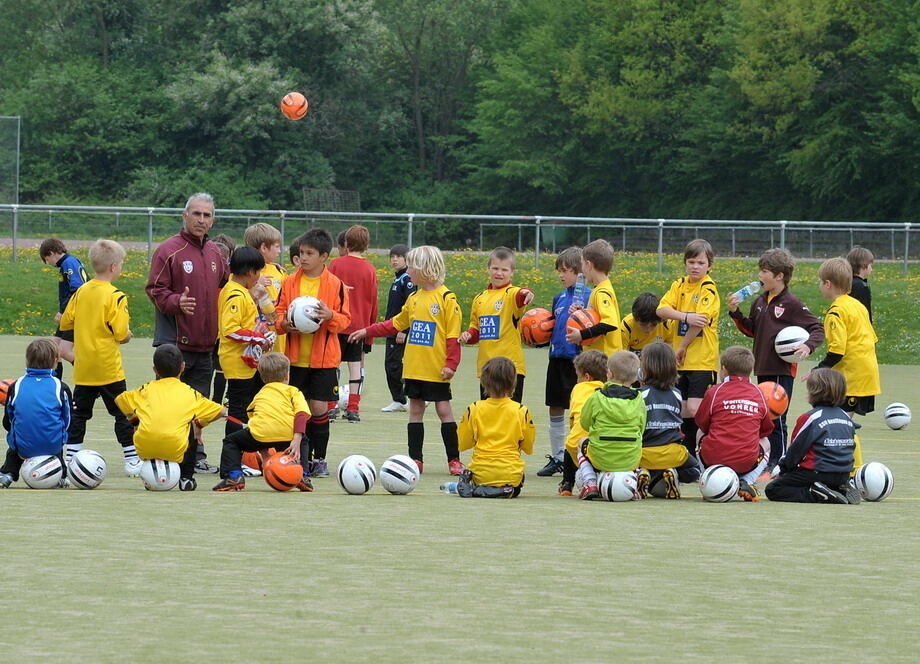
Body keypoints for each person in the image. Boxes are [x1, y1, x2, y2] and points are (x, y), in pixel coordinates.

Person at [349, 245, 464, 475]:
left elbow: (453, 337)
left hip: (436, 370)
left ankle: (454, 460)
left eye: (411, 266)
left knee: (444, 411)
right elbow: (394, 323)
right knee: (415, 412)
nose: (408, 270)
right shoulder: (413, 298)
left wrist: (451, 365)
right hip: (413, 369)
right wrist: (367, 331)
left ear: (425, 268)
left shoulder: (446, 299)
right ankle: (416, 460)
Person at [146, 192, 229, 474]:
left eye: (207, 215)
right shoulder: (169, 250)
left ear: (212, 220)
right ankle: (160, 454)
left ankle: (195, 455)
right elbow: (155, 290)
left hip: (205, 346)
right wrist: (176, 303)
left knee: (197, 409)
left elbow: (227, 288)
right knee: (167, 407)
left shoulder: (217, 253)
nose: (202, 220)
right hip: (174, 346)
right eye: (196, 214)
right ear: (185, 216)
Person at [727, 248, 824, 471]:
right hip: (761, 367)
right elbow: (753, 330)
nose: (760, 276)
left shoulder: (791, 303)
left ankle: (778, 463)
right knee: (763, 418)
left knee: (777, 420)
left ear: (779, 276)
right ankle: (764, 460)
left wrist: (807, 346)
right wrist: (735, 313)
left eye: (764, 272)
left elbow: (817, 327)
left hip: (781, 370)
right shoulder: (760, 301)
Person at [275, 228, 351, 478]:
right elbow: (279, 314)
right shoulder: (289, 282)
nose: (303, 257)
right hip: (294, 359)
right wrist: (284, 324)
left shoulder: (335, 285)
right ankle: (299, 458)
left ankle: (320, 459)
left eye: (310, 253)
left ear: (324, 257)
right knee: (298, 409)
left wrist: (330, 316)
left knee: (319, 408)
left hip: (324, 360)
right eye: (301, 253)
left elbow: (345, 321)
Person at [58, 239, 139, 475]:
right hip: (109, 368)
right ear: (114, 267)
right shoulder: (116, 296)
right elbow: (121, 332)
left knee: (79, 414)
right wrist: (125, 336)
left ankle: (70, 459)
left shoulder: (81, 291)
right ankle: (131, 459)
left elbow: (65, 321)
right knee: (122, 413)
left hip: (83, 368)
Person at [115, 344, 226, 491]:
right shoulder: (190, 393)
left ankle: (152, 470)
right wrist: (199, 424)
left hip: (144, 449)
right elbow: (221, 411)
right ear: (183, 367)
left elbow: (120, 400)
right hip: (175, 450)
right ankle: (186, 478)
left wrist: (135, 421)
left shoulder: (145, 389)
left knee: (148, 421)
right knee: (190, 426)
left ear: (155, 370)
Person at [212, 352, 313, 492]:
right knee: (304, 440)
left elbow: (256, 420)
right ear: (287, 375)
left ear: (262, 376)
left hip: (261, 434)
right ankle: (303, 475)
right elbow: (301, 414)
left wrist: (263, 450)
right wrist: (297, 439)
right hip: (287, 435)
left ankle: (234, 476)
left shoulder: (260, 394)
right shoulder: (293, 391)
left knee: (231, 441)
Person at [656, 238, 720, 454]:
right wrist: (685, 316)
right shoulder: (679, 284)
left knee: (695, 408)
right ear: (685, 263)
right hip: (680, 360)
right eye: (691, 262)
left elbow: (700, 322)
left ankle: (705, 451)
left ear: (709, 266)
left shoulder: (708, 288)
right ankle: (686, 454)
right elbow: (661, 310)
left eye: (701, 263)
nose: (695, 266)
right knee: (681, 409)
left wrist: (682, 345)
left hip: (701, 360)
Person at [765, 368, 860, 504]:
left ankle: (816, 493)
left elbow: (796, 450)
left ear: (814, 392)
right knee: (816, 479)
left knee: (775, 489)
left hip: (817, 471)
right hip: (843, 473)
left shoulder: (810, 418)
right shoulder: (846, 417)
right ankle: (840, 489)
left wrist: (782, 469)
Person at [695, 346, 774, 502]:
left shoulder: (714, 391)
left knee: (699, 432)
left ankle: (708, 475)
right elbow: (766, 430)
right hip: (746, 461)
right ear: (750, 370)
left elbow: (702, 423)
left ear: (723, 369)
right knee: (766, 442)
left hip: (713, 457)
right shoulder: (758, 393)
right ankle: (747, 481)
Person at [538, 247, 591, 478]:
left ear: (580, 273)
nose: (561, 275)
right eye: (559, 270)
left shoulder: (589, 295)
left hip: (577, 360)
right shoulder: (558, 298)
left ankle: (577, 453)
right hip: (556, 358)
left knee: (578, 408)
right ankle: (558, 455)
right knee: (556, 405)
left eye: (566, 271)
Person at [807, 257, 880, 417]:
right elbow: (871, 339)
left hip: (851, 377)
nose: (820, 286)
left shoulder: (836, 312)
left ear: (828, 284)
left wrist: (817, 370)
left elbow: (837, 352)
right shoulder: (858, 306)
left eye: (821, 282)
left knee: (840, 424)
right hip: (867, 372)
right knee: (844, 423)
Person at [459, 247, 534, 402]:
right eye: (495, 268)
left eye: (504, 270)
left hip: (510, 368)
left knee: (511, 415)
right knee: (488, 415)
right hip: (487, 368)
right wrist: (468, 335)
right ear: (488, 269)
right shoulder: (479, 298)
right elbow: (476, 330)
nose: (499, 273)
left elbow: (521, 295)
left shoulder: (511, 293)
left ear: (512, 272)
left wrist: (527, 293)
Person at [455, 357, 535, 498]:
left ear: (484, 382)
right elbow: (528, 447)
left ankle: (476, 486)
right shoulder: (521, 410)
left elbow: (463, 443)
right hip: (511, 474)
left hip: (480, 472)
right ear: (513, 383)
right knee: (517, 482)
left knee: (473, 472)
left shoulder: (474, 409)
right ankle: (504, 490)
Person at [218, 246, 274, 440]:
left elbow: (245, 323)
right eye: (258, 273)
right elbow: (230, 329)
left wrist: (260, 329)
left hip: (245, 360)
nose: (259, 277)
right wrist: (258, 338)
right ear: (250, 272)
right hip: (236, 361)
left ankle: (241, 454)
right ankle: (233, 453)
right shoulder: (236, 294)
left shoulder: (242, 291)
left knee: (244, 406)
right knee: (238, 409)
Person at [0, 339, 73, 488]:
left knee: (16, 445)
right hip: (52, 445)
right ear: (55, 361)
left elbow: (8, 420)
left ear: (27, 360)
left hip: (23, 446)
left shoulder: (16, 385)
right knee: (54, 437)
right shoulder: (61, 387)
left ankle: (7, 473)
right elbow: (67, 420)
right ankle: (61, 474)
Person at [576, 351, 646, 500]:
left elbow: (585, 423)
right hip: (630, 458)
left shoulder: (597, 396)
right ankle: (634, 477)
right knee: (636, 442)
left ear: (609, 373)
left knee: (581, 442)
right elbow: (641, 427)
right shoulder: (639, 399)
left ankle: (590, 482)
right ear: (635, 377)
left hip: (601, 457)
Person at [636, 342, 702, 499]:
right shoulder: (677, 394)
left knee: (625, 463)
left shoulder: (639, 395)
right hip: (673, 453)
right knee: (694, 471)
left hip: (643, 454)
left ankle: (642, 472)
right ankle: (670, 472)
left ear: (645, 368)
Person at [327, 225, 378, 421]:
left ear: (346, 243)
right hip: (359, 327)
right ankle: (353, 408)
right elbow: (373, 302)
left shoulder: (336, 264)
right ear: (367, 246)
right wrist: (369, 331)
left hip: (337, 323)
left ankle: (331, 405)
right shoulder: (370, 269)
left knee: (332, 365)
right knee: (355, 367)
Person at [558, 349, 607, 496]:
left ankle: (567, 484)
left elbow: (573, 420)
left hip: (579, 446)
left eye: (577, 376)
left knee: (570, 442)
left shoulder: (578, 389)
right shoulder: (608, 389)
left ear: (586, 376)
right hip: (602, 447)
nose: (577, 380)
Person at [39, 237, 88, 378]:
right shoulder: (65, 264)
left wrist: (62, 311)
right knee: (54, 350)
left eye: (47, 259)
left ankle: (92, 378)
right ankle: (55, 384)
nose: (48, 263)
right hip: (69, 314)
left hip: (75, 314)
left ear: (51, 253)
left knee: (63, 351)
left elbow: (78, 290)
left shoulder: (69, 262)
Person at [565, 238, 622, 355]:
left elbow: (609, 323)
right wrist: (582, 314)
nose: (582, 269)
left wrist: (582, 335)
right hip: (599, 357)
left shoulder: (602, 292)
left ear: (589, 265)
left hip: (604, 358)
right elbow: (597, 319)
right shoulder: (599, 288)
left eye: (582, 264)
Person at [381, 244, 416, 413]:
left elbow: (411, 307)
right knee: (392, 364)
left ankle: (400, 399)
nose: (394, 260)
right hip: (392, 328)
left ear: (407, 259)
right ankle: (400, 398)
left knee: (394, 365)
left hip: (399, 330)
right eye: (392, 256)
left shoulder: (407, 280)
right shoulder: (398, 278)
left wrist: (404, 330)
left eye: (398, 257)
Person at [244, 222, 287, 353]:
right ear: (263, 247)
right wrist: (255, 286)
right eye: (277, 246)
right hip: (254, 341)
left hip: (278, 339)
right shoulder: (243, 274)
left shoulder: (278, 271)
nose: (280, 251)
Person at [210, 234, 236, 407]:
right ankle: (216, 402)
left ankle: (214, 402)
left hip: (217, 329)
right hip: (216, 330)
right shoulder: (229, 282)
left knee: (216, 367)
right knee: (217, 368)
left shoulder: (230, 281)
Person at [621, 292, 670, 357]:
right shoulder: (626, 328)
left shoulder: (667, 323)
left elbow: (671, 348)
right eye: (643, 325)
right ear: (635, 318)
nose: (648, 330)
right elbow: (622, 356)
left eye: (654, 325)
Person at [846, 246, 873, 322]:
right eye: (871, 265)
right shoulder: (861, 287)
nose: (871, 269)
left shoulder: (848, 282)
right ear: (864, 265)